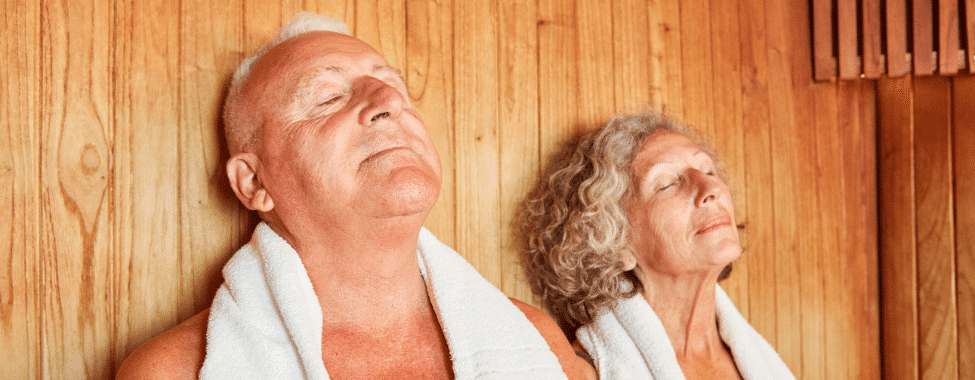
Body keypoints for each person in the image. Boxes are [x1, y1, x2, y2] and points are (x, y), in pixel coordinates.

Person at [117, 12, 593, 380]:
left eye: (394, 88)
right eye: (327, 98)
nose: (389, 103)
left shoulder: (540, 344)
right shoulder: (177, 371)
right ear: (254, 183)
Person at [519, 110, 794, 379]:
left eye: (707, 169)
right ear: (615, 243)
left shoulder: (756, 360)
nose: (710, 188)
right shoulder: (585, 371)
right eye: (666, 184)